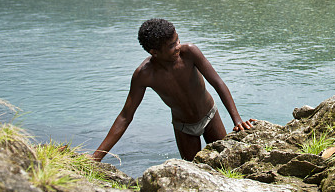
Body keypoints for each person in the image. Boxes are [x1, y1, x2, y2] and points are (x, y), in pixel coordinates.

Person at [92, 18, 254, 162]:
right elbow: (125, 116)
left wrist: (237, 120)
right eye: (171, 45)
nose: (178, 46)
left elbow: (217, 83)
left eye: (177, 41)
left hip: (210, 115)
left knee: (226, 162)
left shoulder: (190, 52)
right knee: (194, 170)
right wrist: (97, 156)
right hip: (184, 127)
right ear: (154, 52)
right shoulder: (144, 74)